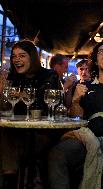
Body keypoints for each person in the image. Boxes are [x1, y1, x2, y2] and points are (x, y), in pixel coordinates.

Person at [48, 42, 103, 189]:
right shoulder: (85, 87)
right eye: (101, 51)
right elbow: (76, 119)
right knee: (56, 154)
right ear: (96, 60)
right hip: (85, 139)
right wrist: (76, 101)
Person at [0, 39, 62, 188]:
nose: (16, 59)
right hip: (15, 132)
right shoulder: (13, 77)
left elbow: (44, 106)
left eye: (22, 55)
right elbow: (6, 109)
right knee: (5, 133)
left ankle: (10, 180)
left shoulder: (49, 75)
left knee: (5, 136)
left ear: (32, 57)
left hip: (41, 134)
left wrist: (21, 94)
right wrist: (2, 92)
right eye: (14, 56)